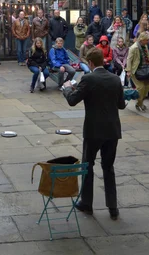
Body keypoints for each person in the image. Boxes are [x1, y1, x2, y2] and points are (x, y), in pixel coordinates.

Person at [62, 47, 126, 221]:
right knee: (108, 167)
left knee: (87, 166)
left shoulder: (88, 78)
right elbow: (121, 105)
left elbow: (72, 100)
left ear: (90, 63)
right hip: (112, 130)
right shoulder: (114, 79)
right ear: (103, 60)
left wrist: (67, 87)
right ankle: (113, 208)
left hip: (93, 131)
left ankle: (87, 204)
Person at [125, 32, 149, 112]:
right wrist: (128, 70)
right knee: (140, 87)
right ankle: (139, 104)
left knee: (148, 86)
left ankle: (139, 102)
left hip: (145, 70)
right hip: (135, 70)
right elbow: (129, 59)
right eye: (147, 40)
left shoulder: (145, 46)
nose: (148, 41)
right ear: (142, 39)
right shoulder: (134, 48)